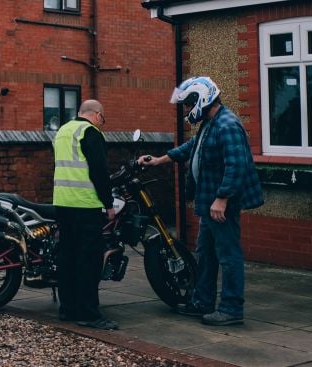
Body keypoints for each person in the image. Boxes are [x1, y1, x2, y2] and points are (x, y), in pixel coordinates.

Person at [138, 76, 264, 326]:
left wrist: (222, 199)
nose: (186, 109)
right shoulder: (210, 124)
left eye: (188, 103)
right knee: (205, 254)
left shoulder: (227, 125)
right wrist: (159, 160)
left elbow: (236, 165)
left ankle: (231, 309)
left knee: (229, 256)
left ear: (201, 99)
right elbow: (191, 147)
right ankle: (202, 302)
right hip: (210, 204)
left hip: (221, 206)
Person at [53, 99, 118, 330]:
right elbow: (99, 171)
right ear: (97, 114)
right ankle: (89, 314)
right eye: (103, 119)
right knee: (89, 261)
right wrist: (108, 204)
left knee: (67, 258)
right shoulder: (90, 132)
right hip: (85, 205)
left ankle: (67, 309)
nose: (102, 123)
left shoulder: (63, 131)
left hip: (62, 203)